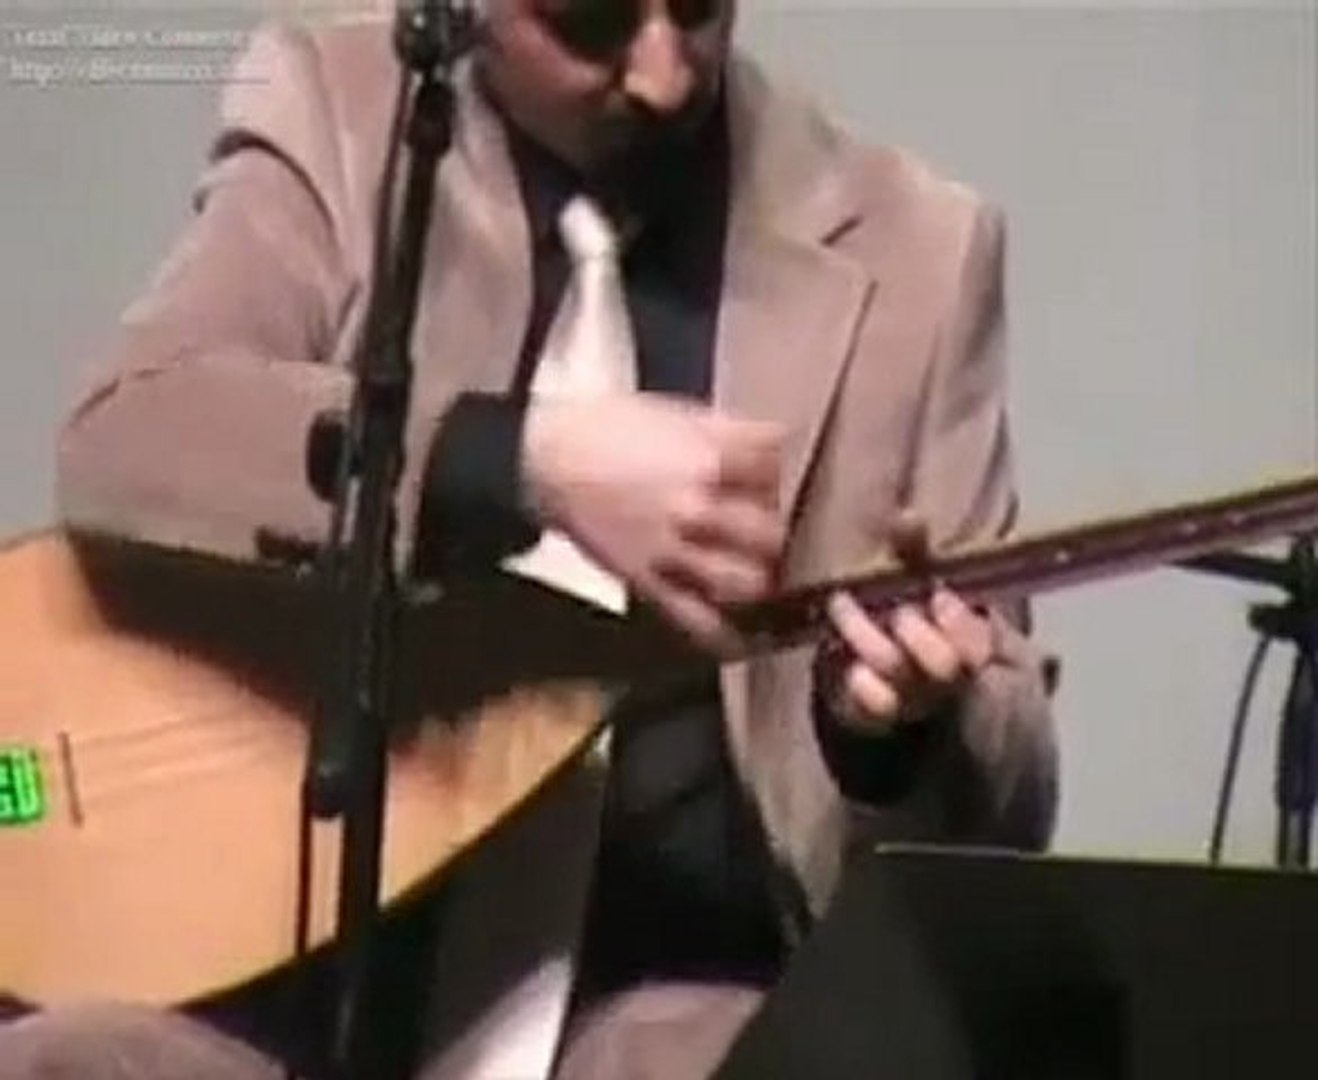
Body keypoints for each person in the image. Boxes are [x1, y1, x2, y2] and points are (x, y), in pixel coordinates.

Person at [0, 0, 1057, 1077]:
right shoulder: (340, 112)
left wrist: (895, 737)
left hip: (663, 1012)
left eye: (697, 7)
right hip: (291, 998)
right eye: (591, 22)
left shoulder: (920, 250)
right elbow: (132, 433)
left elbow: (1002, 811)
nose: (664, 75)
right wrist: (518, 461)